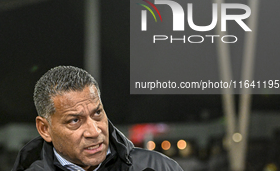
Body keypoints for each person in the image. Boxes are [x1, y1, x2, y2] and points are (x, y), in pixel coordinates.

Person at [12, 66, 183, 171]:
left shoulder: (157, 167)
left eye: (97, 113)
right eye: (74, 121)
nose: (94, 131)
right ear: (44, 129)